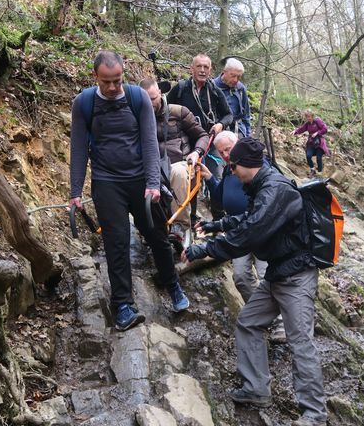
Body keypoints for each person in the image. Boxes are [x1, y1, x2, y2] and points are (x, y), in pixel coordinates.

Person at [182, 137, 327, 426]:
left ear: (247, 165)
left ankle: (314, 415)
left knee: (301, 342)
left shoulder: (275, 189)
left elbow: (250, 233)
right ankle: (256, 389)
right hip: (277, 273)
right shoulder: (262, 185)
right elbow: (250, 217)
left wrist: (204, 250)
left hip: (297, 276)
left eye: (233, 165)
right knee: (248, 322)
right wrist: (218, 225)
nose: (231, 170)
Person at [70, 51, 189, 332]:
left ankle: (173, 285)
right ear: (95, 77)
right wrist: (75, 190)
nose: (112, 87)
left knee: (158, 235)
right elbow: (77, 149)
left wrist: (152, 183)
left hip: (140, 180)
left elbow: (150, 142)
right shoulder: (84, 103)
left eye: (117, 81)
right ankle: (123, 305)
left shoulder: (137, 98)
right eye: (106, 82)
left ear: (124, 75)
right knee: (117, 242)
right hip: (106, 181)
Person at [197, 131, 286, 343]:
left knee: (267, 276)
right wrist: (210, 178)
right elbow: (220, 197)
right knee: (241, 277)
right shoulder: (229, 170)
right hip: (238, 230)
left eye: (228, 149)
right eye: (221, 152)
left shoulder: (259, 167)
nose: (226, 154)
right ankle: (266, 316)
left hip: (262, 229)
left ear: (238, 144)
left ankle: (281, 323)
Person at [140, 79, 209, 246]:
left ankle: (181, 227)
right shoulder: (137, 117)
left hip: (181, 163)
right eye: (146, 100)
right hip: (151, 166)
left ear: (161, 95)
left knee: (176, 173)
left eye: (153, 98)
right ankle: (149, 227)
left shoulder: (179, 112)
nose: (150, 103)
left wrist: (196, 152)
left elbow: (202, 136)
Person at [167, 54, 232, 220]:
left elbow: (228, 115)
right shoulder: (180, 89)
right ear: (192, 68)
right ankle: (192, 216)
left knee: (215, 176)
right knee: (189, 178)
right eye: (199, 66)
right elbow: (166, 110)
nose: (202, 70)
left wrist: (220, 125)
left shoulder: (215, 91)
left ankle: (219, 218)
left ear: (210, 70)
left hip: (211, 142)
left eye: (206, 67)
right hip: (186, 142)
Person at [214, 58, 252, 138]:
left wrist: (248, 136)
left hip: (237, 129)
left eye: (238, 77)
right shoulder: (212, 87)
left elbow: (246, 115)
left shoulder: (240, 88)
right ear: (224, 71)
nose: (235, 80)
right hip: (218, 129)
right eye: (233, 76)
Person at [293, 110, 330, 177]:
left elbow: (325, 129)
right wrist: (295, 132)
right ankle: (312, 170)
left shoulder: (317, 121)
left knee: (319, 158)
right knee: (308, 156)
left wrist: (317, 133)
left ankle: (319, 173)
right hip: (311, 142)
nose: (308, 118)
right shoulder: (307, 124)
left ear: (312, 116)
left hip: (319, 142)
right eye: (307, 117)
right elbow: (301, 129)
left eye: (309, 116)